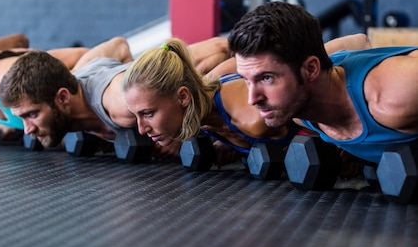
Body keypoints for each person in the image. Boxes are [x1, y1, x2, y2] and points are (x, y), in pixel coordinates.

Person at [121, 31, 372, 166]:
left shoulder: (253, 116)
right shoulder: (207, 88)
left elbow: (358, 41)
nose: (141, 129)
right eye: (138, 116)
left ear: (183, 96)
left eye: (148, 113)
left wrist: (345, 146)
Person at [227, 1, 418, 166]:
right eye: (246, 80)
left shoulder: (395, 95)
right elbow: (358, 41)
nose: (252, 99)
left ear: (311, 69)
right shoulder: (297, 111)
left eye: (266, 78)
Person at [0, 36, 233, 156]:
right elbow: (119, 45)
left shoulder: (121, 104)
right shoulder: (77, 74)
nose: (26, 129)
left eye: (32, 115)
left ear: (63, 98)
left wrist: (181, 125)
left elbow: (220, 48)